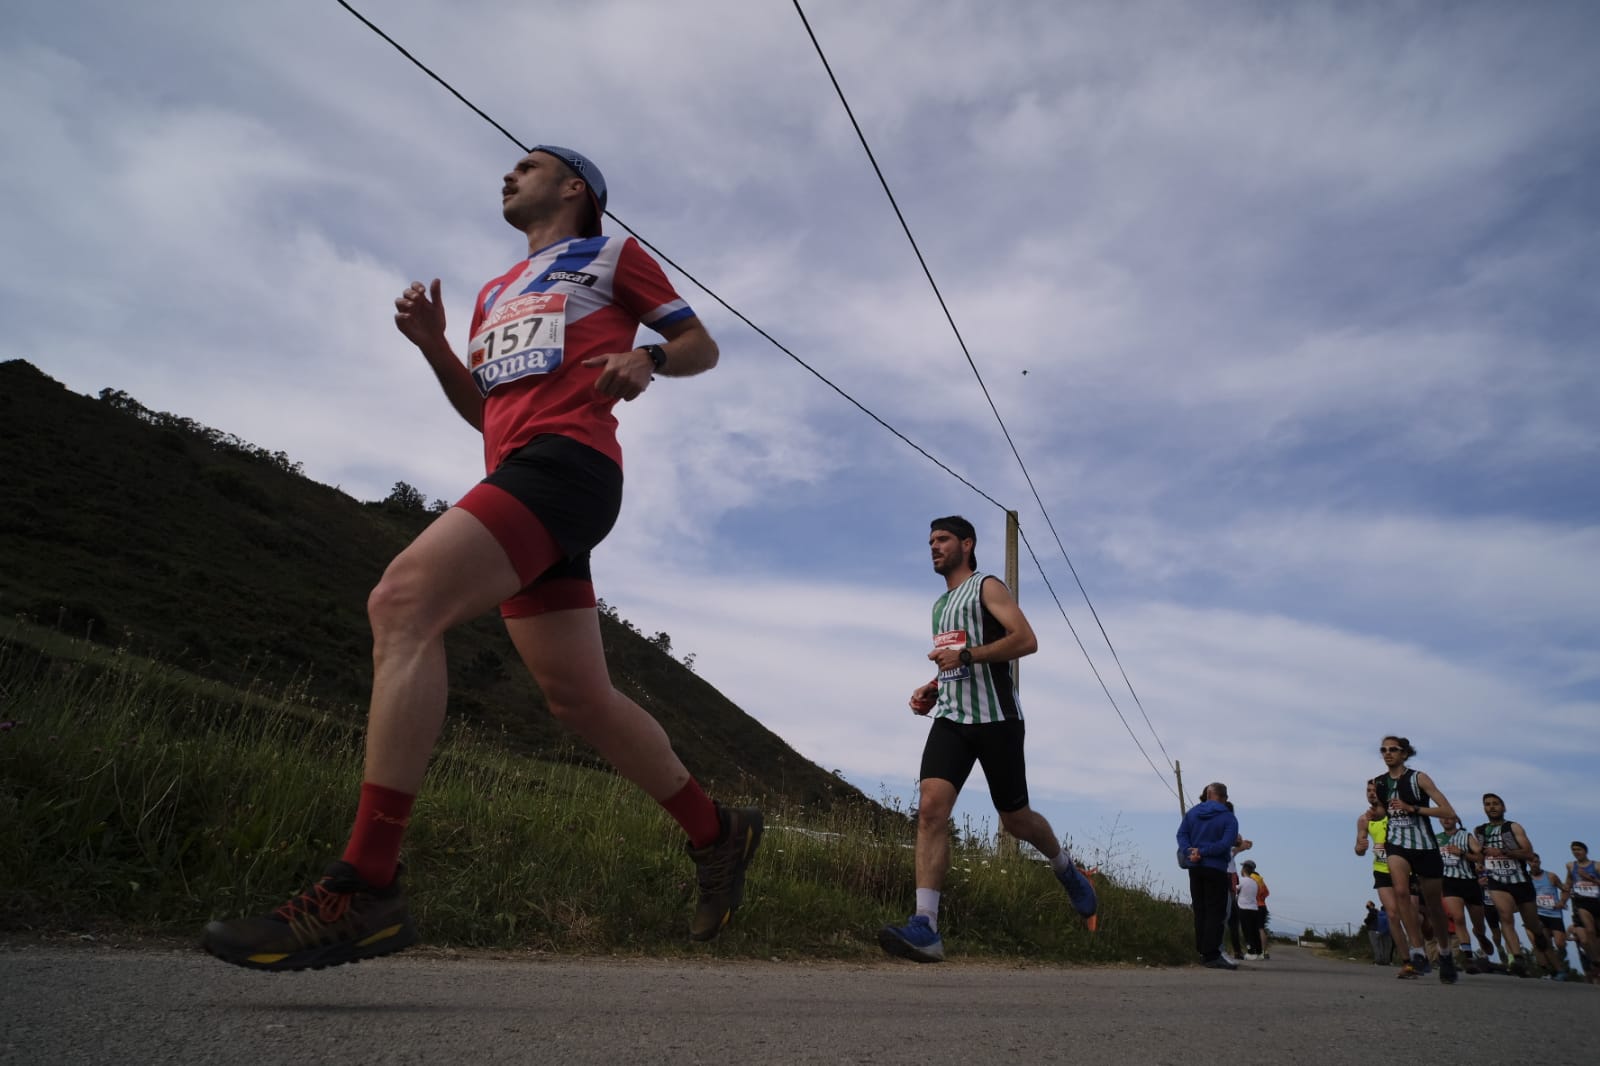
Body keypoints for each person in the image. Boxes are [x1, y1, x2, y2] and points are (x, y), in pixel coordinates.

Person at [202, 146, 762, 971]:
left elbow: (702, 344)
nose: (507, 175)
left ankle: (366, 884)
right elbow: (487, 415)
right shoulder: (492, 293)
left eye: (527, 166)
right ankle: (718, 832)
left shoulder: (613, 253)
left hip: (570, 469)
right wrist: (434, 347)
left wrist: (648, 358)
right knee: (580, 699)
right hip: (519, 469)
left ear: (575, 189)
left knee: (401, 604)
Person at [877, 516, 1096, 963]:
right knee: (930, 810)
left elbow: (1026, 640)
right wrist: (933, 688)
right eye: (931, 541)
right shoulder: (940, 607)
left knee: (1016, 820)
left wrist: (969, 654)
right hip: (953, 720)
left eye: (942, 540)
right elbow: (956, 663)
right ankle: (926, 926)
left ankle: (1067, 869)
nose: (934, 547)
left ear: (966, 544)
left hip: (997, 719)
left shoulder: (987, 587)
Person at [1370, 736, 1459, 983]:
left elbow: (1447, 811)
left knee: (1433, 906)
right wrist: (1374, 813)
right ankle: (1417, 953)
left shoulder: (1419, 778)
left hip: (1425, 846)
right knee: (1400, 893)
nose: (1388, 754)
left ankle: (1444, 953)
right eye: (1384, 750)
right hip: (1397, 844)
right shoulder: (1379, 782)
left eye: (1393, 750)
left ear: (1405, 754)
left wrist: (1414, 808)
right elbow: (1383, 812)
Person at [1473, 793, 1565, 978]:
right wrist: (1479, 865)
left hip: (1520, 880)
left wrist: (1503, 852)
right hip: (1497, 880)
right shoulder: (1480, 831)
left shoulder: (1513, 827)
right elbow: (1480, 856)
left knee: (1532, 923)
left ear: (1503, 807)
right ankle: (1517, 958)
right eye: (1487, 804)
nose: (1491, 807)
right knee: (1505, 916)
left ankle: (1539, 936)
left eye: (1495, 804)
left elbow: (1528, 852)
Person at [1176, 782, 1242, 969]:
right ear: (1223, 797)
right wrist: (1204, 852)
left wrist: (1190, 852)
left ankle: (1202, 951)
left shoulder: (1192, 813)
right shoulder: (1229, 818)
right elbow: (1226, 844)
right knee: (1216, 911)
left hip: (1195, 867)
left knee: (1200, 909)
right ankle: (1211, 954)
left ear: (1207, 794)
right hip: (1215, 868)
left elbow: (1181, 835)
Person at [1355, 779, 1413, 965]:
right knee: (1392, 914)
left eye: (1375, 790)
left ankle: (1420, 949)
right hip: (1381, 870)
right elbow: (1359, 849)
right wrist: (1360, 847)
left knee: (1412, 916)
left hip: (1406, 871)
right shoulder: (1364, 819)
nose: (1371, 793)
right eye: (1368, 790)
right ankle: (1407, 961)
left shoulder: (1396, 814)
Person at [1436, 812, 1490, 972]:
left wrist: (1463, 854)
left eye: (1450, 817)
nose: (1446, 819)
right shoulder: (1436, 838)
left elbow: (1480, 857)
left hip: (1469, 882)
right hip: (1449, 882)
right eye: (1443, 817)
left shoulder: (1466, 837)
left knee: (1478, 924)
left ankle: (1480, 935)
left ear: (1456, 820)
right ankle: (1468, 958)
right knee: (1458, 918)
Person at [1528, 853, 1569, 975]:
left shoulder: (1551, 876)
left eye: (1536, 861)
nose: (1534, 864)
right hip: (1539, 914)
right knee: (1545, 944)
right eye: (1531, 862)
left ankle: (1561, 961)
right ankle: (1558, 971)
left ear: (1540, 862)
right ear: (1528, 863)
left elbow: (1565, 890)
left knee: (1560, 943)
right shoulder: (1526, 878)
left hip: (1554, 914)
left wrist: (1562, 901)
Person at [1566, 841, 1599, 980]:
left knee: (1596, 936)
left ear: (1585, 851)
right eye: (1573, 850)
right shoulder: (1571, 866)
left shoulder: (1596, 866)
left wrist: (1588, 878)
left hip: (1596, 902)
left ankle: (1595, 965)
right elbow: (1568, 884)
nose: (1576, 852)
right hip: (1580, 903)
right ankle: (1596, 962)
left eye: (1579, 849)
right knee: (1588, 933)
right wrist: (1562, 900)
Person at [1237, 859, 1265, 960]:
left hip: (1244, 909)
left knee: (1246, 932)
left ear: (1244, 869)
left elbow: (1236, 890)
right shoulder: (1255, 883)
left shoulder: (1241, 880)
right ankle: (1259, 952)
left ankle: (1250, 952)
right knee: (1254, 931)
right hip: (1254, 909)